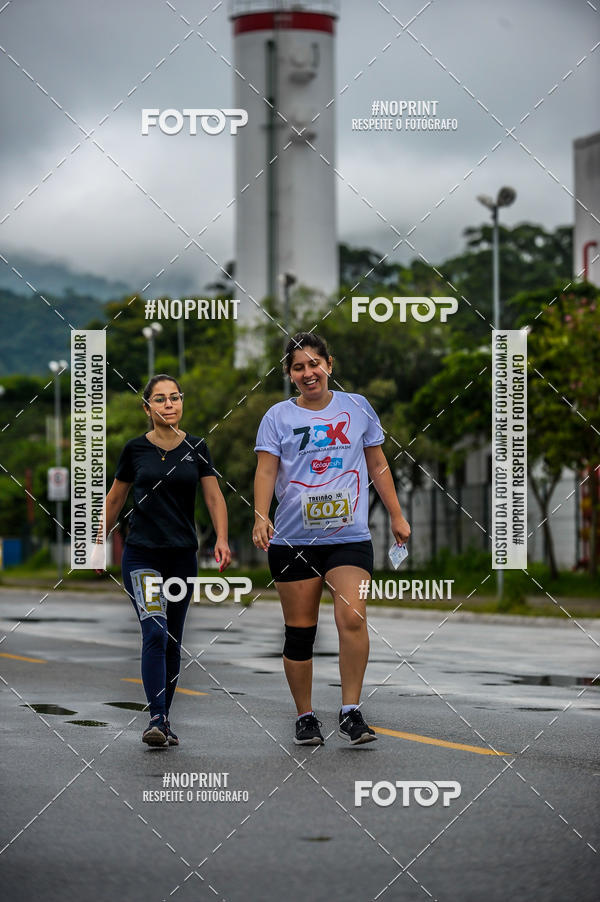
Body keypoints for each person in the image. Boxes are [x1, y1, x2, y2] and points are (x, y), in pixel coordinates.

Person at [253, 333, 411, 746]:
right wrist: (260, 516)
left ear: (329, 365)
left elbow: (377, 464)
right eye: (298, 367)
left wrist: (396, 514)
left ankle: (350, 711)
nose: (308, 373)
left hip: (349, 537)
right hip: (293, 541)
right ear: (289, 374)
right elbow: (266, 471)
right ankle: (305, 717)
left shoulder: (357, 407)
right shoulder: (277, 417)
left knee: (352, 618)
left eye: (314, 364)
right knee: (300, 633)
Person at [99, 374, 231, 747]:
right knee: (155, 630)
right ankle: (155, 717)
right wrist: (97, 542)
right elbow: (115, 499)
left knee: (172, 638)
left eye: (174, 397)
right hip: (141, 553)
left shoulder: (197, 447)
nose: (169, 404)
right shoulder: (135, 449)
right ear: (147, 408)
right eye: (160, 399)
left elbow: (214, 497)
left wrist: (221, 538)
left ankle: (164, 720)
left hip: (182, 556)